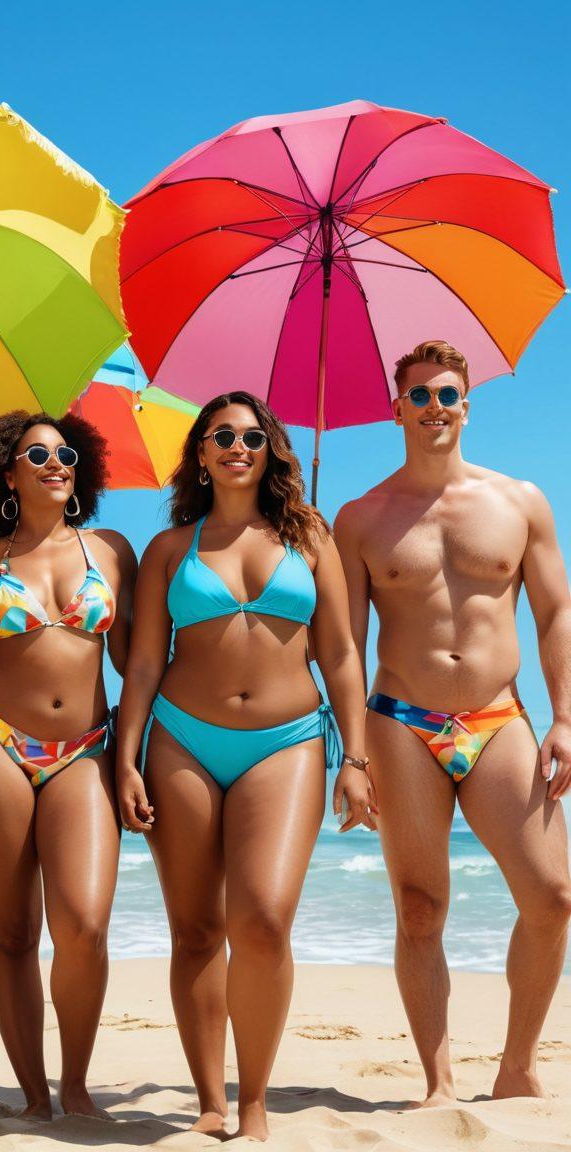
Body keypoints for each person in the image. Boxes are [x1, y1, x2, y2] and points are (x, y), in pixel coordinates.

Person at [116, 391, 372, 1141]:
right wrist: (127, 758)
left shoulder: (312, 536)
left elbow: (342, 654)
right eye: (221, 435)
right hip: (180, 739)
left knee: (261, 919)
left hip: (286, 739)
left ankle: (255, 1099)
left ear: (271, 449)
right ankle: (209, 1100)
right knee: (195, 929)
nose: (236, 446)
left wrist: (353, 758)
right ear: (199, 452)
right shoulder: (171, 548)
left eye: (251, 436)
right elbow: (139, 666)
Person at [335, 339, 571, 1107]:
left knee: (552, 897)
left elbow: (556, 612)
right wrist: (354, 756)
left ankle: (516, 1063)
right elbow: (342, 644)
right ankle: (437, 1085)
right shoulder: (360, 517)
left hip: (498, 714)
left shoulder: (520, 502)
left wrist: (564, 715)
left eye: (449, 394)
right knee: (419, 906)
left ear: (467, 405)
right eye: (421, 395)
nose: (436, 407)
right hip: (401, 720)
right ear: (395, 408)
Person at [0, 411, 136, 1119]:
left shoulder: (112, 550)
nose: (55, 462)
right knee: (12, 932)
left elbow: (137, 663)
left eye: (65, 452)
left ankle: (78, 1083)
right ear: (8, 472)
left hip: (85, 749)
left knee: (85, 925)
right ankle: (34, 1095)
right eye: (37, 453)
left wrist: (138, 752)